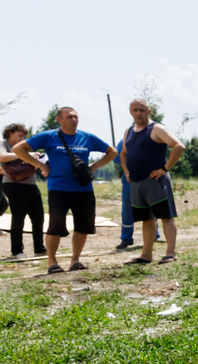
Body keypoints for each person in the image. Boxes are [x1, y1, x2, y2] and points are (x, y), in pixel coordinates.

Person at [12, 107, 116, 273]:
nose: (73, 119)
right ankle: (52, 262)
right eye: (69, 117)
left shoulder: (86, 137)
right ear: (59, 119)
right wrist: (39, 165)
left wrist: (95, 166)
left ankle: (75, 260)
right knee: (55, 226)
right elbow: (18, 149)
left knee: (83, 226)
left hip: (84, 189)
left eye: (76, 116)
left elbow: (112, 152)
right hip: (59, 189)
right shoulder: (49, 136)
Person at [120, 98, 185, 265]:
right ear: (130, 112)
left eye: (141, 110)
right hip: (136, 182)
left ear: (148, 111)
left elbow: (178, 146)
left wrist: (165, 169)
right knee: (146, 219)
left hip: (155, 181)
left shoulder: (156, 129)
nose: (138, 113)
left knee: (166, 216)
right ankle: (146, 255)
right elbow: (124, 153)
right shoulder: (129, 131)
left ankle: (170, 253)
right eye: (135, 110)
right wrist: (127, 172)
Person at [1, 123, 48, 258]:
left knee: (38, 217)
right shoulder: (3, 144)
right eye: (19, 135)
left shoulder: (25, 146)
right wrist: (22, 154)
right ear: (10, 133)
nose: (22, 138)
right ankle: (17, 250)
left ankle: (39, 248)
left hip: (31, 184)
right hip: (13, 184)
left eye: (24, 136)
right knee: (18, 217)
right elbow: (2, 157)